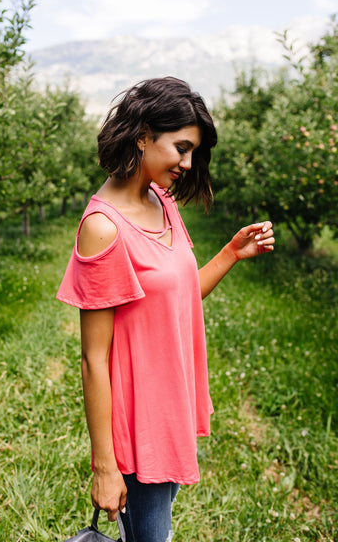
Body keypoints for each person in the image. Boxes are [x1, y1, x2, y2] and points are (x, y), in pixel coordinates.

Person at [57, 77, 274, 542]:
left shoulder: (161, 198)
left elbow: (176, 300)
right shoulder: (103, 228)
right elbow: (94, 358)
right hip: (138, 427)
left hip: (169, 406)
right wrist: (104, 466)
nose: (188, 162)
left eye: (194, 151)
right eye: (181, 147)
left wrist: (230, 255)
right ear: (142, 136)